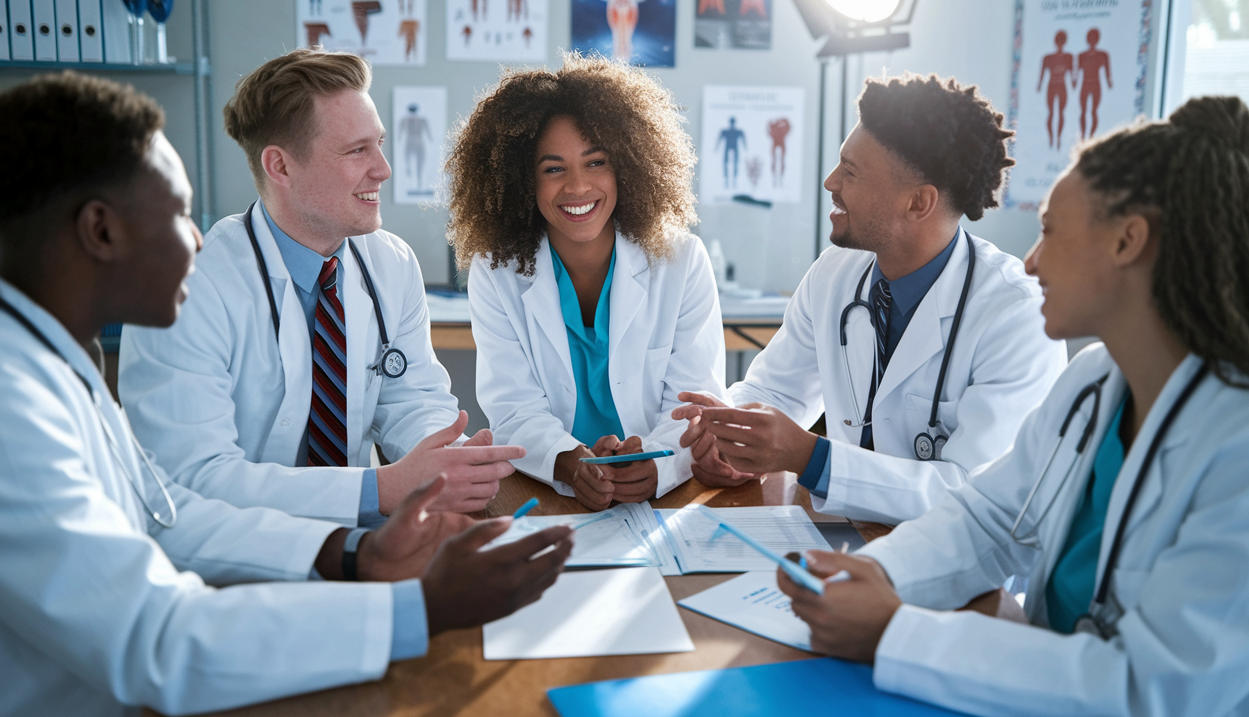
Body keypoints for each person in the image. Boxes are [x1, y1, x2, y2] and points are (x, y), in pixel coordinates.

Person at [0, 72, 573, 716]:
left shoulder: (55, 362)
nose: (194, 238)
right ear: (101, 231)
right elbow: (159, 639)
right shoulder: (14, 415)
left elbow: (165, 517)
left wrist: (359, 552)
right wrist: (415, 605)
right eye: (179, 211)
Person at [780, 95, 1249, 716]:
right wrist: (875, 575)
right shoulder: (1095, 383)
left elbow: (1147, 688)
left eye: (1049, 230)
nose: (1033, 261)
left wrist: (896, 633)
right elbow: (988, 519)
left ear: (1128, 242)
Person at [120, 49, 522, 527]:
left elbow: (411, 399)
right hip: (229, 559)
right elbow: (190, 477)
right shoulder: (184, 286)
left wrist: (450, 461)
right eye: (357, 151)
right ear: (281, 167)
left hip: (357, 541)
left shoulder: (389, 264)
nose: (384, 169)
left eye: (380, 144)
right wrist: (384, 487)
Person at [675, 74, 1067, 525]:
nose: (830, 181)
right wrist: (729, 436)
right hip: (847, 539)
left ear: (918, 203)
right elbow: (774, 390)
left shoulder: (1017, 314)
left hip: (959, 577)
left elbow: (976, 495)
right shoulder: (836, 273)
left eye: (851, 172)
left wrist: (811, 459)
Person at [446, 53, 727, 511]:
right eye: (553, 168)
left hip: (662, 494)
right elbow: (513, 407)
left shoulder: (681, 261)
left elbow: (696, 401)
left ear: (628, 166)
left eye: (595, 162)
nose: (577, 187)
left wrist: (658, 467)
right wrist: (567, 462)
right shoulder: (495, 271)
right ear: (522, 181)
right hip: (546, 491)